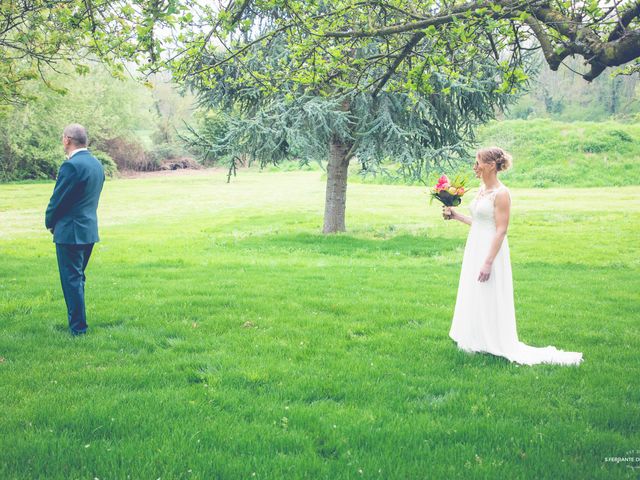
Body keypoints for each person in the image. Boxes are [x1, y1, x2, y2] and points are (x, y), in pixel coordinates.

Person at [443, 147, 583, 365]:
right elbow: (480, 223)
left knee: (489, 291)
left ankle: (494, 339)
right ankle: (475, 337)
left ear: (490, 165)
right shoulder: (481, 190)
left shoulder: (502, 193)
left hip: (491, 250)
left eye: (478, 162)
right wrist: (456, 216)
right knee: (475, 291)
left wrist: (488, 262)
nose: (474, 166)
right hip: (475, 246)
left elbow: (500, 230)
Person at [45, 124, 105, 335]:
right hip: (88, 230)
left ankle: (78, 328)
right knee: (77, 278)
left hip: (70, 231)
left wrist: (49, 222)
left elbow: (58, 199)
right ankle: (79, 324)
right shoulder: (97, 164)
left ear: (67, 139)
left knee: (71, 280)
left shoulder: (71, 166)